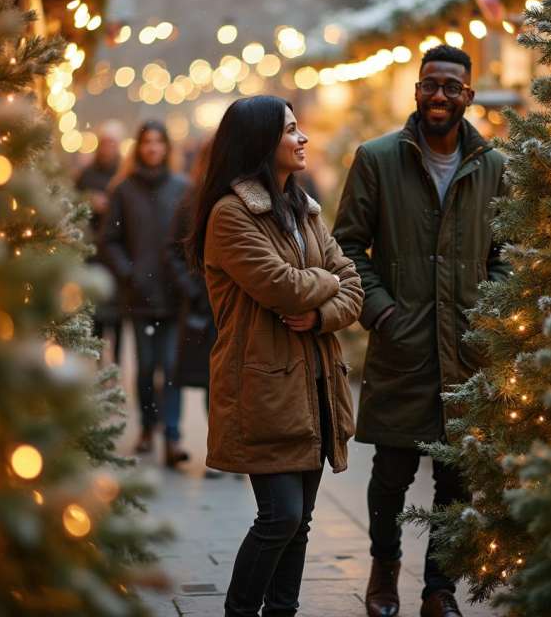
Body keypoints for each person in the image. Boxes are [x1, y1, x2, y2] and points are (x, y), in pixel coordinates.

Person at [333, 45, 510, 617]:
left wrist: (491, 311)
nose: (439, 95)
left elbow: (508, 251)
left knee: (456, 480)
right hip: (403, 343)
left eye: (451, 87)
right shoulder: (378, 158)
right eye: (430, 84)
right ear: (417, 89)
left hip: (468, 347)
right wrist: (381, 310)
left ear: (468, 96)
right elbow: (347, 245)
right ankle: (383, 573)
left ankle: (440, 590)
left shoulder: (494, 165)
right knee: (390, 475)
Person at [187, 95, 363, 617]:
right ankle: (241, 610)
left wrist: (321, 313)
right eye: (290, 130)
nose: (303, 137)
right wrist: (324, 282)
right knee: (280, 517)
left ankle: (281, 611)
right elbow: (281, 287)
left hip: (313, 384)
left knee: (301, 520)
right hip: (262, 388)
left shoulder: (303, 208)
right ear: (262, 142)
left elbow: (352, 288)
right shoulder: (230, 214)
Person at [100, 119, 190, 467]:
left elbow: (191, 238)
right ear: (138, 147)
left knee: (171, 366)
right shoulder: (124, 189)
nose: (153, 148)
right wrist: (128, 273)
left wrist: (188, 279)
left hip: (174, 294)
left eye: (159, 142)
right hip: (139, 295)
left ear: (167, 147)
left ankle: (172, 435)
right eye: (147, 142)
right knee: (145, 366)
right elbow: (109, 239)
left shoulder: (182, 188)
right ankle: (147, 428)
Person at [165, 140, 222, 478]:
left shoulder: (240, 197)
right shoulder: (193, 198)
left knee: (224, 382)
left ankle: (222, 450)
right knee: (205, 378)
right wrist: (192, 288)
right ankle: (210, 449)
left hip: (230, 306)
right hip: (202, 307)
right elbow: (173, 249)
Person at [75, 119, 124, 362]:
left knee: (117, 317)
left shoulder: (124, 173)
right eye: (105, 143)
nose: (108, 148)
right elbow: (74, 204)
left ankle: (114, 362)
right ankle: (96, 362)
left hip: (117, 251)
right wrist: (89, 201)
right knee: (95, 312)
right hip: (93, 251)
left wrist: (112, 206)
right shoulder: (86, 174)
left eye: (112, 143)